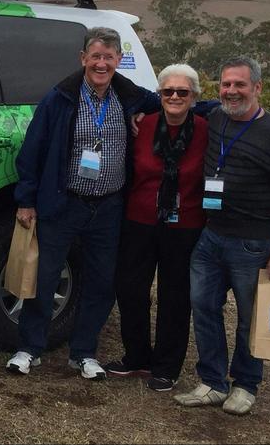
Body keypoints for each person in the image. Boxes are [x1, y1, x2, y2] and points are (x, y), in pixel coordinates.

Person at [6, 26, 164, 381]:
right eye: (95, 56)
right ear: (83, 59)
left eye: (108, 57)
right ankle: (29, 348)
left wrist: (147, 115)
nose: (101, 64)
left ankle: (84, 353)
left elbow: (170, 103)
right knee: (44, 277)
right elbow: (31, 151)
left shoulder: (130, 96)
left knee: (101, 282)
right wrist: (26, 201)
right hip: (64, 203)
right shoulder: (59, 97)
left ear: (118, 60)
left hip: (109, 207)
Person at [175, 56, 270, 416]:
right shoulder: (216, 116)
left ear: (257, 87)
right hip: (211, 236)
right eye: (226, 84)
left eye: (240, 84)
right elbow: (177, 100)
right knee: (203, 307)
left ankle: (246, 384)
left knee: (251, 317)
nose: (232, 91)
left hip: (253, 243)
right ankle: (213, 382)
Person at [104, 64, 208, 392]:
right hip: (139, 220)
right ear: (159, 94)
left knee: (175, 296)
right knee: (130, 289)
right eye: (168, 91)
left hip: (185, 224)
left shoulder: (207, 130)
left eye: (182, 92)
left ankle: (166, 366)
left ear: (194, 97)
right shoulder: (142, 125)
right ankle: (137, 356)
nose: (174, 97)